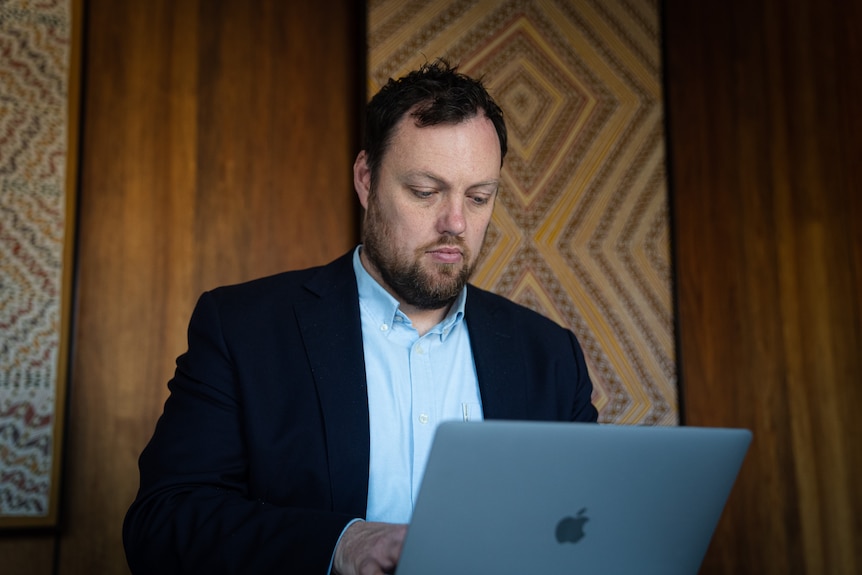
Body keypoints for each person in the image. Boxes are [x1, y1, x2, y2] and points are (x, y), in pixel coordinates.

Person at [123, 59, 598, 575]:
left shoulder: (552, 356)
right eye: (425, 192)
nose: (456, 223)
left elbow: (593, 527)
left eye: (479, 197)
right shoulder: (242, 329)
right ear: (367, 180)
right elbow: (162, 523)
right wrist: (340, 545)